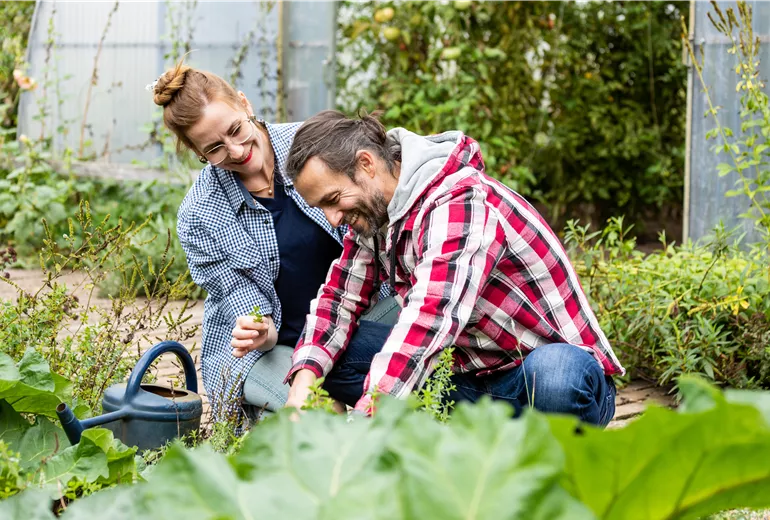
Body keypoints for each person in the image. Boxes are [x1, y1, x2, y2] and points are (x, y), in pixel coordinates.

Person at [282, 110, 625, 426]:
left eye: (332, 199)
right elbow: (337, 302)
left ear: (367, 164)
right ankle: (458, 447)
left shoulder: (458, 201)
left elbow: (431, 315)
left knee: (557, 376)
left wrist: (367, 422)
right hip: (469, 379)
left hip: (533, 380)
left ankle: (543, 462)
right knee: (336, 355)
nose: (332, 218)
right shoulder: (376, 212)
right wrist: (301, 391)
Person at [151, 62, 396, 426]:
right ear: (197, 152)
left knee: (389, 399)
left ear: (245, 105)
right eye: (215, 148)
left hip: (361, 315)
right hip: (276, 348)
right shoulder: (200, 212)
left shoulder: (316, 147)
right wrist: (261, 331)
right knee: (320, 421)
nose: (235, 151)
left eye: (235, 130)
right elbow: (245, 302)